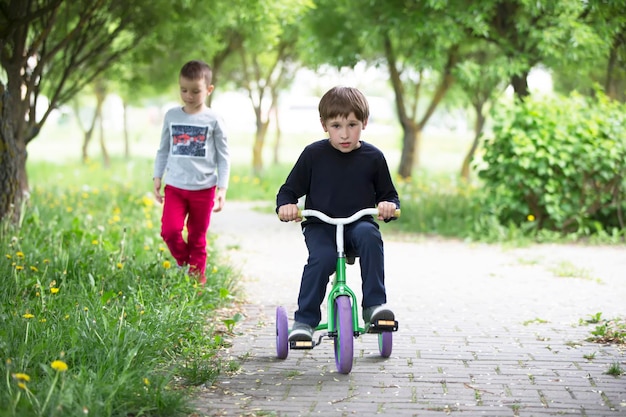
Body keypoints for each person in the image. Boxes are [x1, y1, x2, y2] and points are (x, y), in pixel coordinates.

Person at [276, 86, 400, 342]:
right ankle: (305, 321)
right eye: (336, 126)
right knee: (322, 258)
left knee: (370, 237)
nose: (344, 134)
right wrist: (286, 206)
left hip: (358, 224)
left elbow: (389, 195)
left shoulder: (373, 157)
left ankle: (374, 306)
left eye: (352, 124)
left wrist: (388, 206)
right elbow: (288, 191)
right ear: (324, 125)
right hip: (321, 225)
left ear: (364, 123)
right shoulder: (314, 155)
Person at [153, 60, 230, 285]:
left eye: (195, 91)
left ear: (208, 89)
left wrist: (222, 189)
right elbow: (163, 148)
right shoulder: (172, 116)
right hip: (175, 187)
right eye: (183, 90)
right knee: (169, 231)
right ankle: (184, 261)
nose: (188, 95)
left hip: (204, 189)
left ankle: (196, 285)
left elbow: (224, 157)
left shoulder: (214, 120)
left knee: (197, 238)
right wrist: (157, 177)